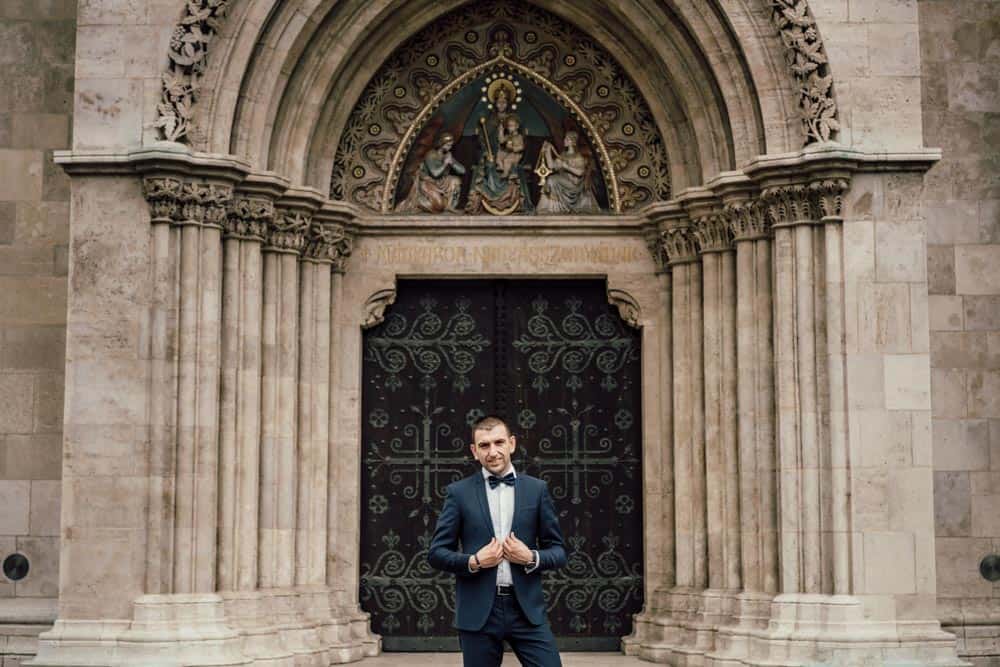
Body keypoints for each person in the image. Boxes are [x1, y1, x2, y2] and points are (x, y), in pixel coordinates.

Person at [428, 415, 566, 667]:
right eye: (484, 445)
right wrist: (474, 561)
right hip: (479, 613)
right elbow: (436, 553)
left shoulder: (537, 490)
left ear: (511, 444)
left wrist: (531, 557)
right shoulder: (458, 494)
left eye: (499, 442)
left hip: (526, 612)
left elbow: (558, 551)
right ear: (474, 451)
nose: (493, 452)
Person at [396, 132, 466, 213]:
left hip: (442, 182)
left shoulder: (447, 155)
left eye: (451, 145)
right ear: (441, 143)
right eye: (447, 145)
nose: (449, 147)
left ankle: (450, 206)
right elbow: (435, 173)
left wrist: (452, 163)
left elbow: (463, 171)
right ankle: (420, 202)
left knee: (455, 180)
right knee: (439, 206)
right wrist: (445, 163)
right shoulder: (431, 155)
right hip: (429, 182)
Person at [535, 131, 598, 214]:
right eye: (565, 138)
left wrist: (566, 166)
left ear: (572, 142)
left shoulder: (577, 156)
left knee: (552, 180)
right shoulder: (563, 154)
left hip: (574, 185)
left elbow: (580, 173)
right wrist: (547, 151)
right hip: (564, 183)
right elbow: (551, 166)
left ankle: (552, 208)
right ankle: (546, 207)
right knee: (551, 179)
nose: (564, 140)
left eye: (567, 139)